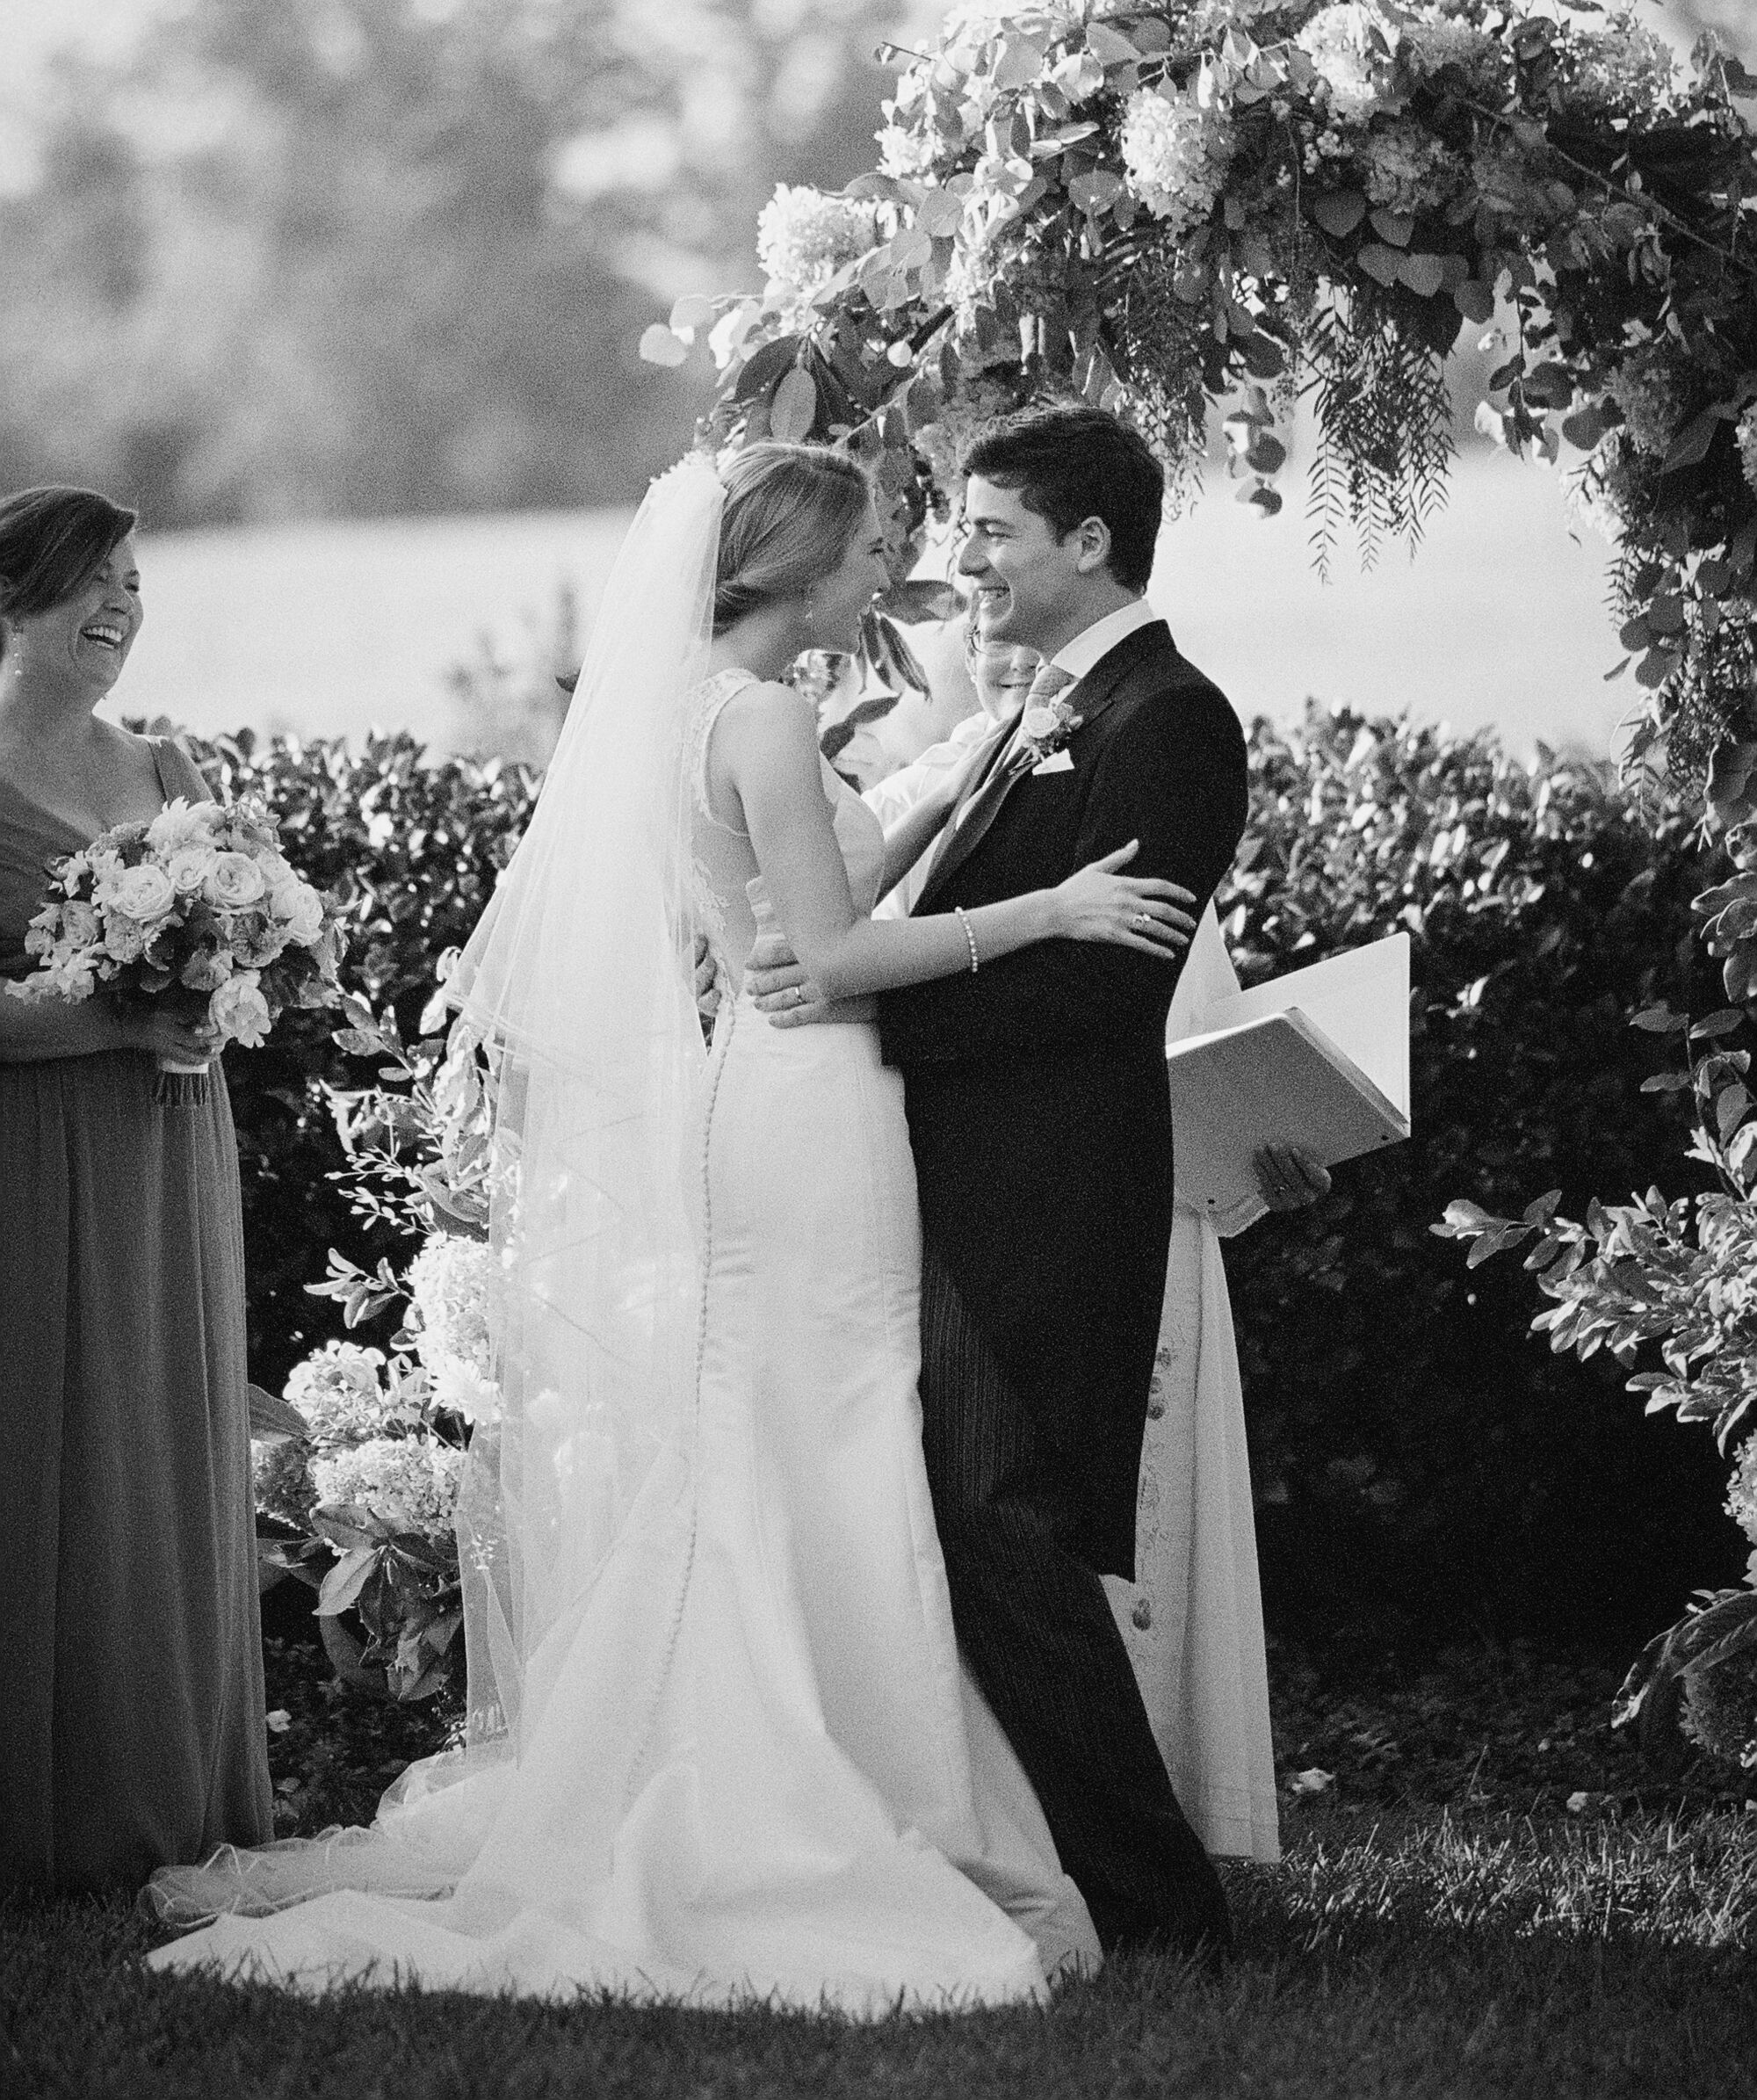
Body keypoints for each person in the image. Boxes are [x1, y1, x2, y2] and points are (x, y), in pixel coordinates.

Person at [146, 442, 1197, 2009]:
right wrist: (1048, 910)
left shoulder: (696, 702)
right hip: (807, 1106)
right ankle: (811, 1780)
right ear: (789, 564)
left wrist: (967, 774)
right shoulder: (765, 713)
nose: (881, 580)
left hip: (766, 1091)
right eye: (860, 558)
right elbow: (830, 952)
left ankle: (784, 1744)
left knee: (783, 1425)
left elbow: (808, 893)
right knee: (821, 1417)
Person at [749, 406, 1249, 1956]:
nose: (954, 557)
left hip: (1048, 1187)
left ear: (1087, 543)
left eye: (987, 530)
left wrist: (860, 1004)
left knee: (1011, 1528)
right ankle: (1102, 1877)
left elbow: (1101, 992)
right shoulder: (1047, 707)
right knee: (996, 1528)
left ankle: (1164, 1908)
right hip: (952, 1180)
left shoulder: (1170, 718)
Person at [0, 486, 272, 1894]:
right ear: (12, 600)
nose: (120, 605)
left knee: (158, 1445)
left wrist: (221, 990)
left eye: (132, 579)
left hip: (169, 1151)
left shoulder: (173, 768)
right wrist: (110, 1014)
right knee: (44, 1449)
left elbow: (234, 958)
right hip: (34, 1162)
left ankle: (167, 1789)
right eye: (88, 581)